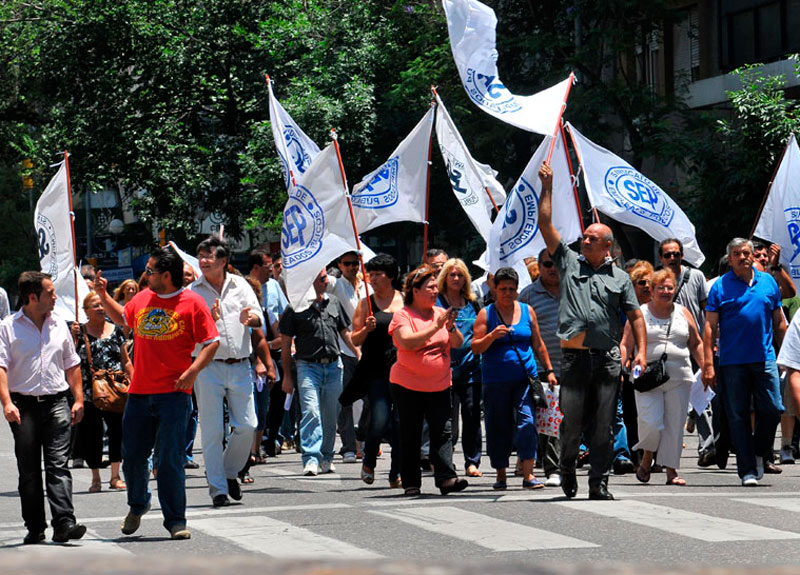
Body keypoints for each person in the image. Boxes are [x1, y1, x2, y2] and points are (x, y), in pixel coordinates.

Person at [537, 162, 646, 500]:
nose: (584, 241)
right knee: (571, 426)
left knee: (603, 427)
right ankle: (567, 468)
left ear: (608, 246)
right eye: (584, 237)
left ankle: (599, 483)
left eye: (591, 238)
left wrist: (640, 350)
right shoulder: (568, 262)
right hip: (574, 359)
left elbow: (636, 317)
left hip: (607, 360)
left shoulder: (620, 278)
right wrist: (548, 186)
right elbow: (545, 224)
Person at [95, 246, 219, 539]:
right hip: (139, 394)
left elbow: (211, 341)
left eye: (150, 271)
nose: (145, 275)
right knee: (134, 457)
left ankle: (176, 520)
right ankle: (138, 504)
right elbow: (124, 319)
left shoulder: (192, 302)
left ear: (166, 274)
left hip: (175, 395)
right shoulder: (142, 298)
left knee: (169, 460)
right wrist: (103, 296)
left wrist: (193, 371)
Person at [0, 271, 86, 544]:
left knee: (58, 465)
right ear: (33, 296)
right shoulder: (7, 326)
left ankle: (64, 523)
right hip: (22, 405)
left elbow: (72, 364)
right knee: (29, 470)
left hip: (56, 402)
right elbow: (0, 367)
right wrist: (6, 403)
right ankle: (35, 527)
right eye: (50, 292)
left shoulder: (59, 323)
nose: (55, 297)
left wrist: (79, 399)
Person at [703, 237, 787, 487]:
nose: (743, 257)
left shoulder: (768, 282)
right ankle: (747, 469)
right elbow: (709, 326)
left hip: (765, 358)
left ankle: (760, 450)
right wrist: (708, 364)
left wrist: (785, 356)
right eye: (737, 254)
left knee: (773, 408)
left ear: (752, 256)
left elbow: (779, 322)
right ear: (730, 259)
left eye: (746, 252)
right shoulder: (720, 287)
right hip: (732, 362)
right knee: (738, 416)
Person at [190, 235, 263, 507]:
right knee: (211, 431)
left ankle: (229, 471)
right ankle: (218, 489)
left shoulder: (241, 285)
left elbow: (258, 317)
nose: (204, 261)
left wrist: (251, 318)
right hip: (207, 366)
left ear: (223, 261)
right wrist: (208, 318)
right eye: (201, 256)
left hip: (240, 364)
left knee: (247, 425)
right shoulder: (193, 292)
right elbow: (188, 332)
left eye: (209, 256)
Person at [472, 267, 557, 490]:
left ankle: (528, 474)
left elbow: (538, 344)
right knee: (498, 426)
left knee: (527, 423)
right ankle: (501, 473)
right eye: (503, 289)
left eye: (511, 289)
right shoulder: (486, 314)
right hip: (495, 381)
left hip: (524, 380)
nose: (508, 293)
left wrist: (548, 370)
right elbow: (475, 347)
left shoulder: (528, 311)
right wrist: (492, 335)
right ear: (495, 289)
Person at [388, 264, 468, 496]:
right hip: (408, 385)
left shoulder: (439, 313)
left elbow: (458, 343)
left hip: (440, 384)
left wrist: (450, 327)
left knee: (443, 432)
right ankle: (411, 482)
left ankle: (446, 478)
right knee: (411, 433)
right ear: (416, 290)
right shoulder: (403, 315)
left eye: (436, 287)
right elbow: (407, 342)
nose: (435, 291)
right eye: (430, 287)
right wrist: (436, 326)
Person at [621, 269, 704, 486]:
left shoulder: (683, 312)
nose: (666, 291)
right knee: (651, 422)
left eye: (670, 288)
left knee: (674, 425)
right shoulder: (639, 313)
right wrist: (622, 366)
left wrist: (707, 368)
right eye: (661, 288)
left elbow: (695, 342)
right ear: (652, 290)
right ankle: (648, 455)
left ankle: (671, 470)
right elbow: (626, 344)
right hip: (647, 377)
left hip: (679, 376)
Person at [279, 269, 357, 476]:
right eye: (323, 278)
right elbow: (286, 345)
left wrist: (357, 351)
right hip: (308, 366)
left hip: (333, 366)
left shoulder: (333, 302)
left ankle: (327, 456)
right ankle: (311, 457)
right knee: (311, 412)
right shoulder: (294, 307)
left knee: (331, 415)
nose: (327, 281)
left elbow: (344, 332)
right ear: (310, 280)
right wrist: (287, 375)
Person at [658, 238, 716, 467]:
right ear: (661, 258)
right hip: (666, 349)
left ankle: (707, 446)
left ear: (682, 255)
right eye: (667, 255)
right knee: (667, 400)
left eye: (676, 254)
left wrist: (711, 340)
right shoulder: (657, 280)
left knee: (702, 395)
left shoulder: (696, 277)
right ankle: (663, 452)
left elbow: (707, 310)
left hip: (695, 345)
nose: (672, 258)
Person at [350, 254, 404, 487]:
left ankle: (397, 473)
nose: (372, 278)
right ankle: (369, 458)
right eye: (370, 274)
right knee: (380, 418)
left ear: (391, 276)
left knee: (402, 421)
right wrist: (366, 329)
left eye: (378, 274)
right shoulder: (366, 304)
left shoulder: (404, 300)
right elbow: (354, 338)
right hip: (375, 370)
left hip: (402, 368)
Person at [71, 291, 133, 493]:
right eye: (95, 306)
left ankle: (115, 476)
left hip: (115, 388)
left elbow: (125, 360)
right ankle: (95, 477)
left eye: (101, 305)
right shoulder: (79, 332)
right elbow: (70, 360)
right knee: (91, 434)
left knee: (118, 432)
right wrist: (73, 338)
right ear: (86, 311)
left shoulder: (116, 330)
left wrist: (133, 381)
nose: (100, 309)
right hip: (90, 392)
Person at [519, 248, 565, 487]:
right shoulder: (527, 296)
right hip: (540, 370)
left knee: (572, 419)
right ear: (540, 265)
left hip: (574, 366)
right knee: (549, 421)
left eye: (557, 263)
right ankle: (553, 468)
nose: (553, 268)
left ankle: (568, 462)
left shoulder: (574, 291)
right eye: (547, 264)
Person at [436, 258, 483, 478]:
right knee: (446, 419)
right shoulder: (436, 303)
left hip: (471, 369)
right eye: (452, 274)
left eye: (460, 275)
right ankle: (444, 460)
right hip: (443, 369)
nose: (456, 278)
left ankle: (472, 461)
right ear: (444, 278)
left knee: (472, 416)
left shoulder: (473, 303)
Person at [327, 252, 365, 463]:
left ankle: (364, 439)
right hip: (345, 350)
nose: (352, 267)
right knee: (345, 402)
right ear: (340, 265)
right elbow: (321, 279)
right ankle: (349, 446)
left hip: (369, 350)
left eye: (355, 263)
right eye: (347, 264)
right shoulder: (336, 285)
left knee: (372, 400)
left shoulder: (367, 285)